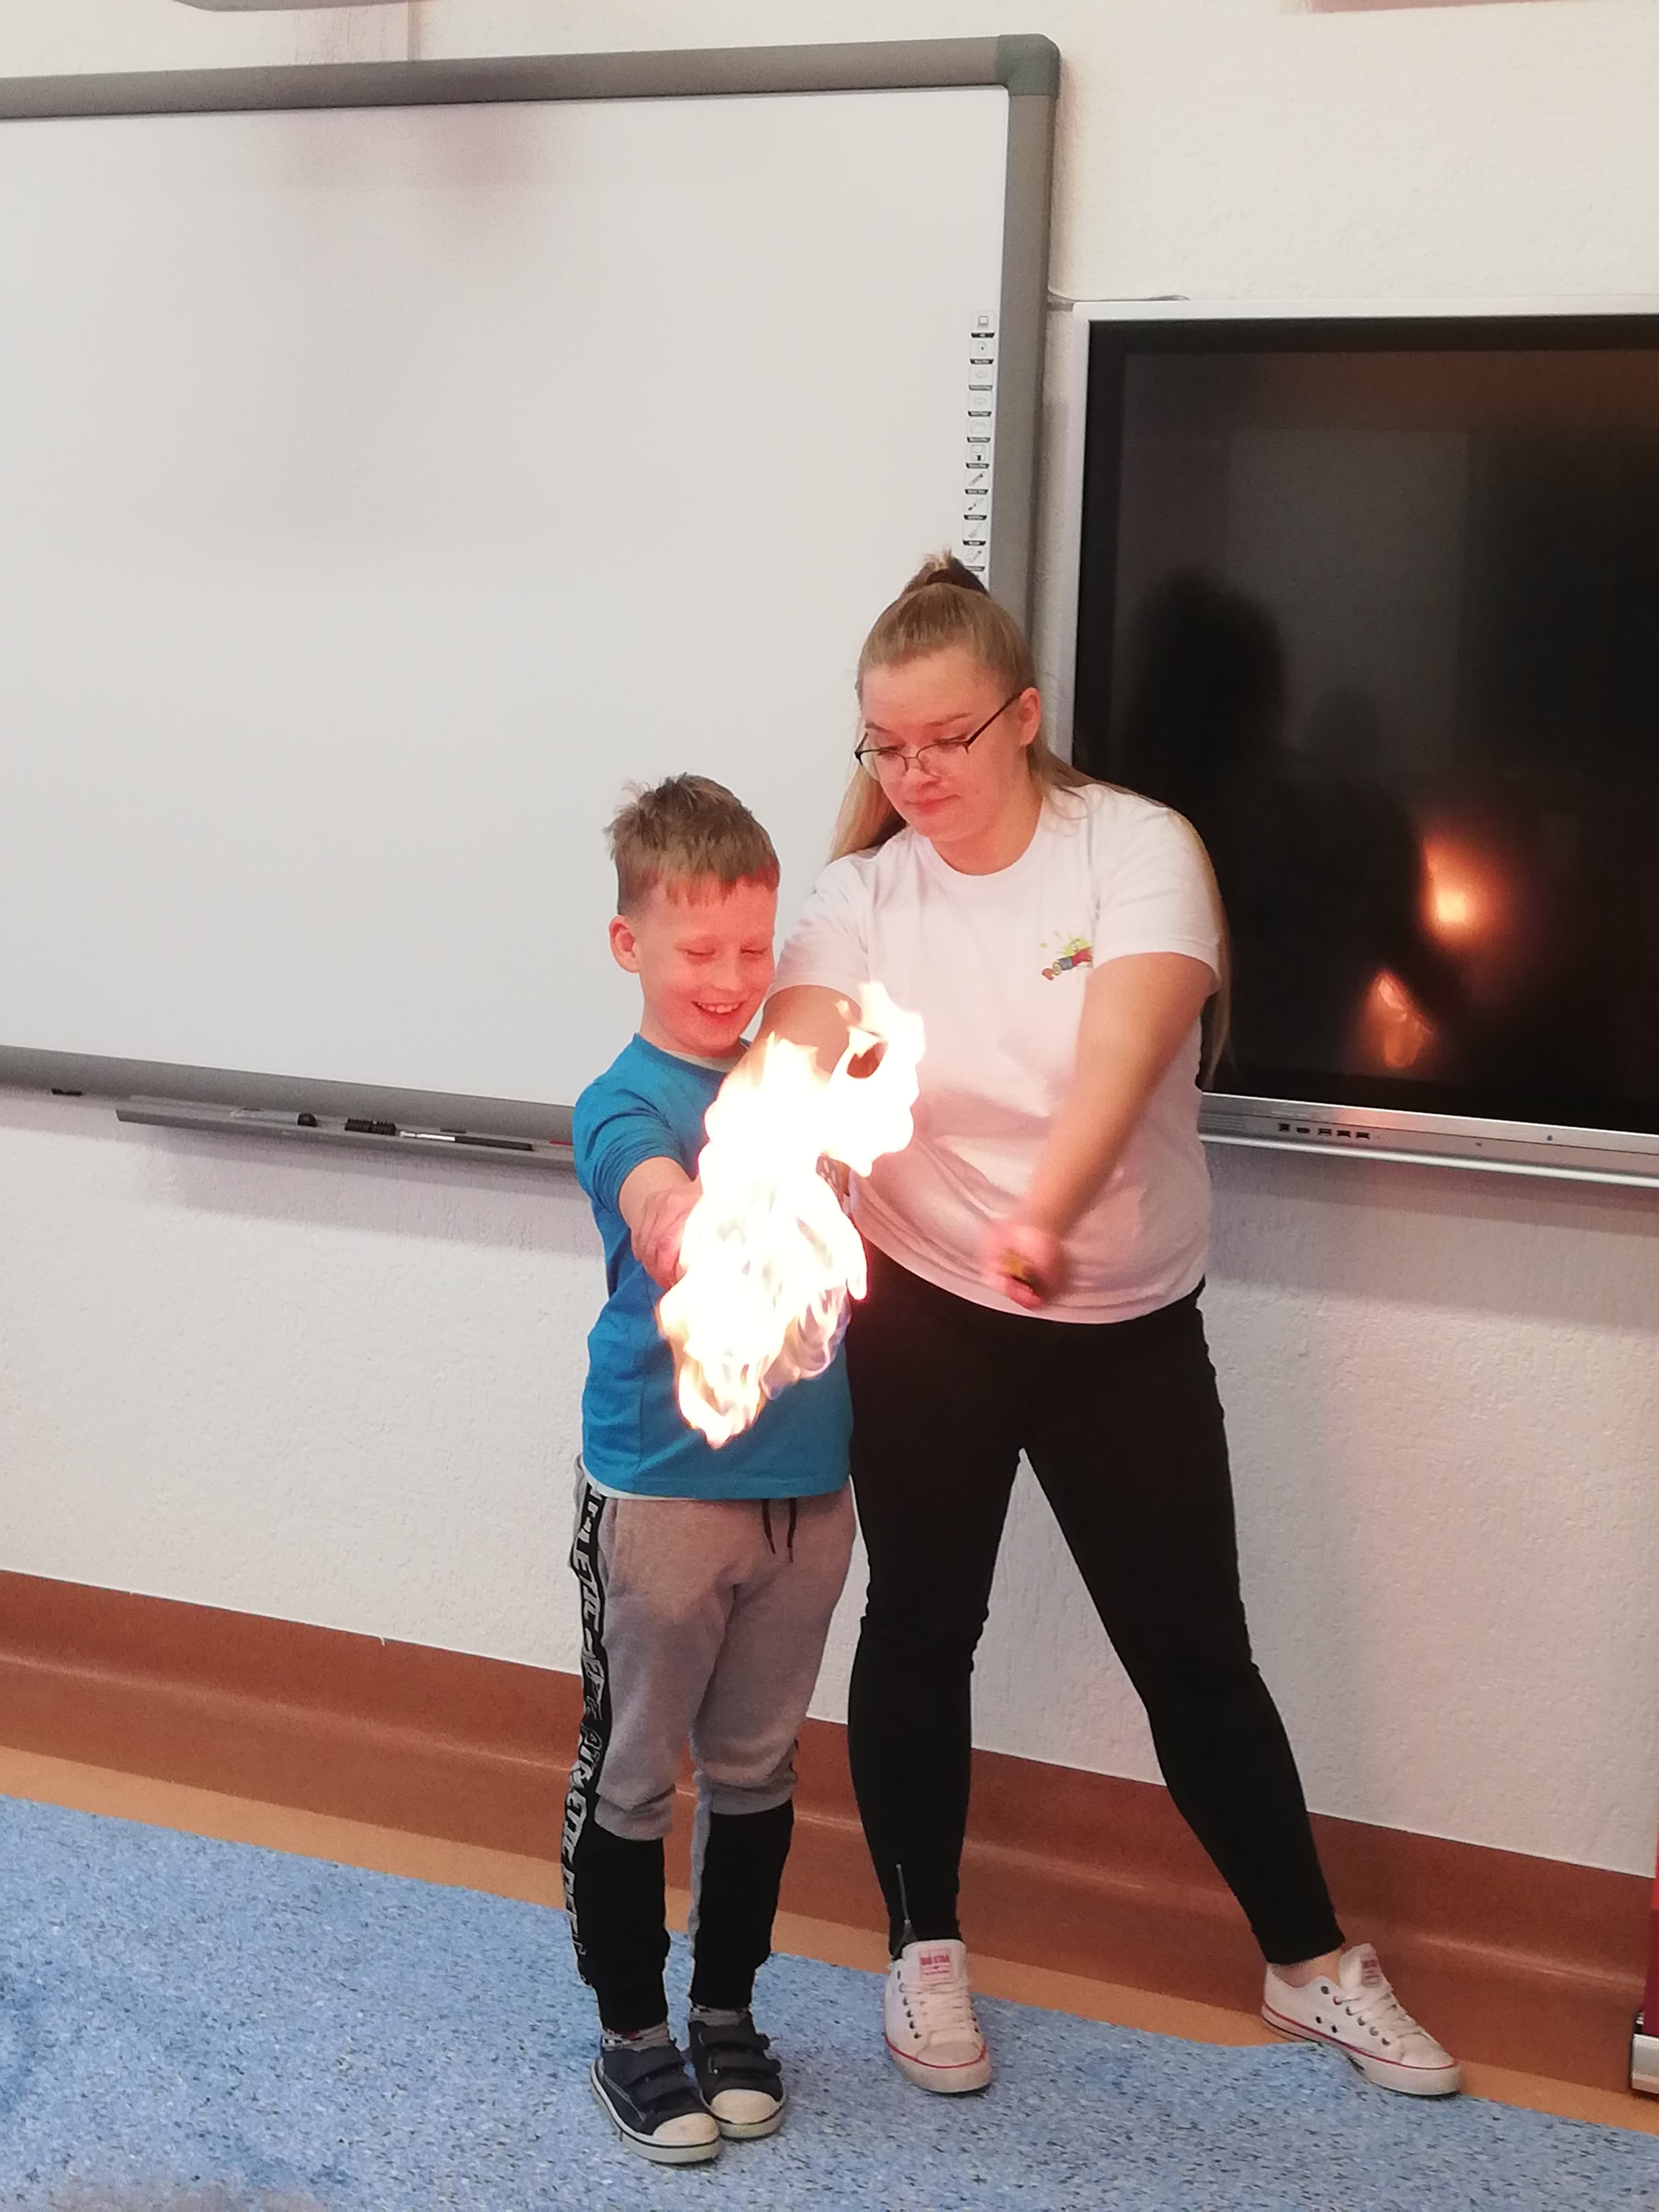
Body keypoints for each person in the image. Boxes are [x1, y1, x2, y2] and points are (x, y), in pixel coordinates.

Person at [761, 556, 1461, 2102]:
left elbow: (1128, 1054)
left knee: (1194, 1654)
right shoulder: (863, 895)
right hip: (927, 1310)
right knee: (921, 1624)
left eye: (946, 739)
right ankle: (923, 1946)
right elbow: (793, 1052)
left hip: (1123, 1323)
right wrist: (741, 1166)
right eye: (885, 746)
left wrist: (1049, 1213)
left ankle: (1308, 1962)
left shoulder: (1138, 850)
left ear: (1023, 717)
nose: (913, 775)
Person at [565, 775, 856, 2165]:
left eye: (753, 947)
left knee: (756, 1769)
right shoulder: (622, 1102)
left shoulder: (796, 1085)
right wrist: (680, 1207)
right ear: (631, 945)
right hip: (665, 1494)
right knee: (637, 1769)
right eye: (699, 951)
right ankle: (633, 2028)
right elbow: (641, 1179)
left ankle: (727, 2010)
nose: (732, 979)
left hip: (808, 1492)